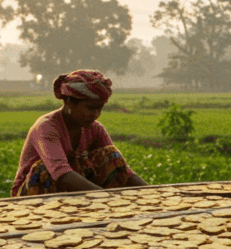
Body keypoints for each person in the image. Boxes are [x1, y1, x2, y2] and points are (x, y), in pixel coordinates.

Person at [11, 70, 146, 196]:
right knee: (45, 169)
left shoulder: (95, 128)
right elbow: (62, 174)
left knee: (110, 155)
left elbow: (120, 169)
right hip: (32, 192)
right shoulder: (46, 127)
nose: (96, 114)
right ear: (69, 102)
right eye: (90, 108)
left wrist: (153, 193)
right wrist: (105, 198)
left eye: (99, 109)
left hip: (72, 190)